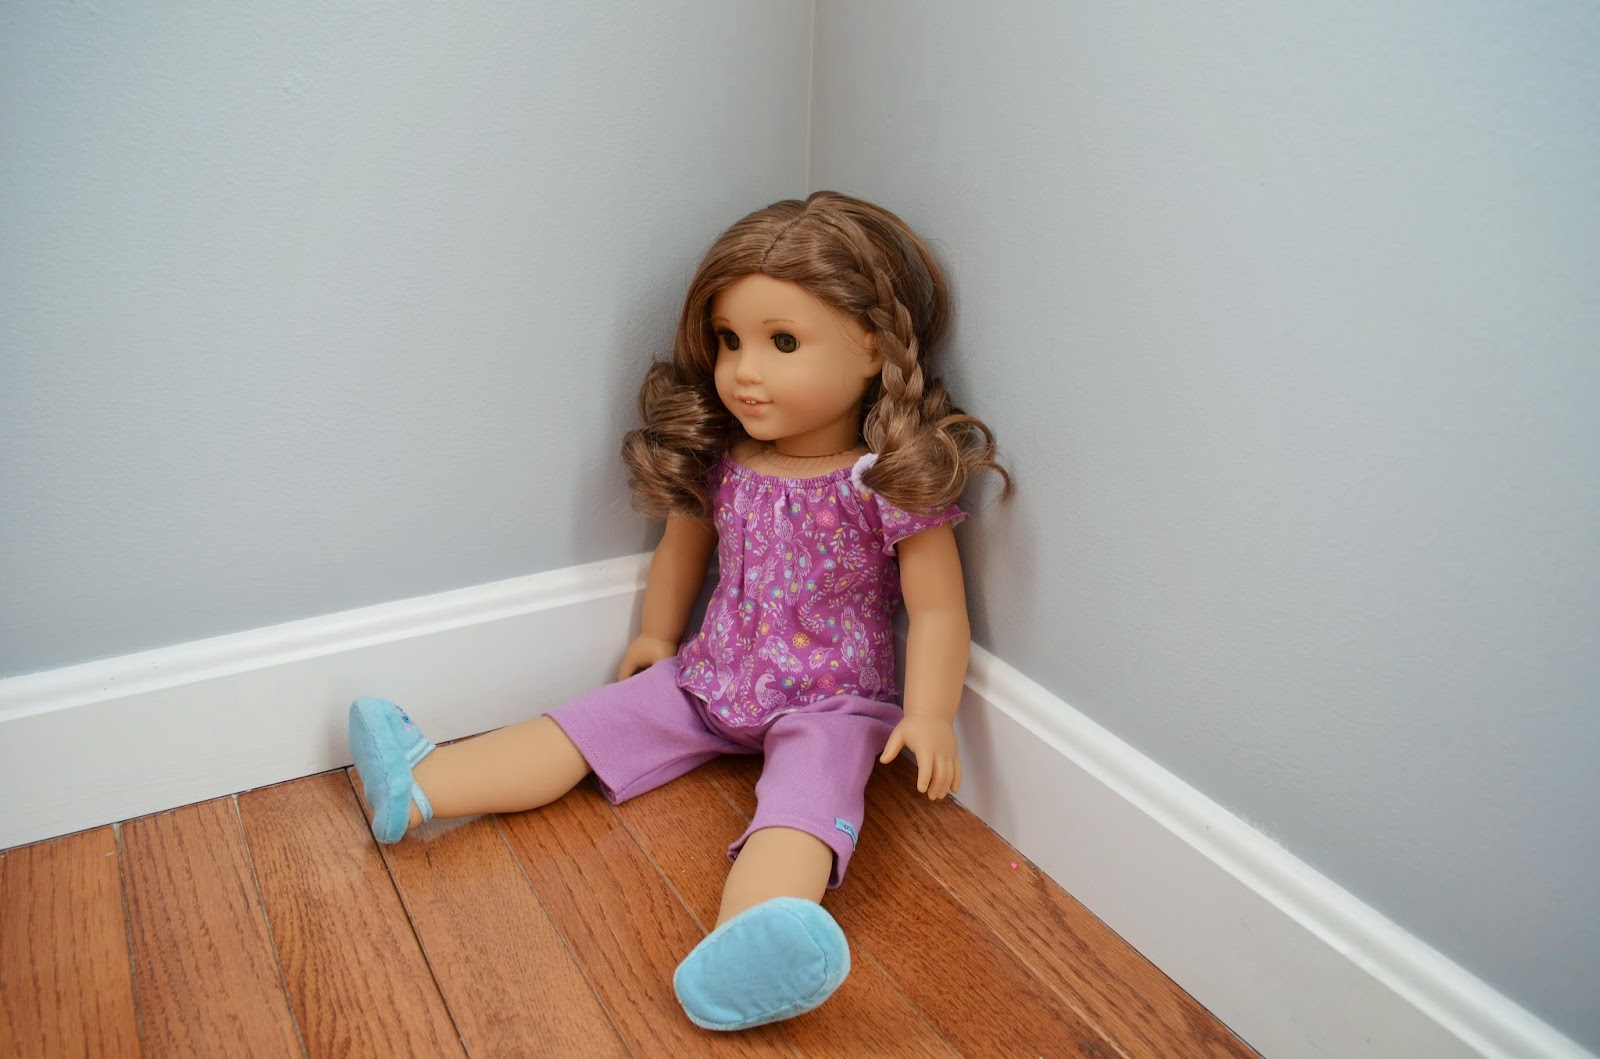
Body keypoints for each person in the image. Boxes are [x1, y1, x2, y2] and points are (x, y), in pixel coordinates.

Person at [348, 190, 1011, 1031]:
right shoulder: (726, 460)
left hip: (833, 701)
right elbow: (681, 549)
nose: (744, 371)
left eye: (782, 342)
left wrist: (931, 714)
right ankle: (420, 784)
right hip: (711, 672)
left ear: (874, 348)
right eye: (730, 340)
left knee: (803, 810)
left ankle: (749, 945)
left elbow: (939, 609)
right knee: (583, 726)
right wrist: (657, 636)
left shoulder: (882, 481)